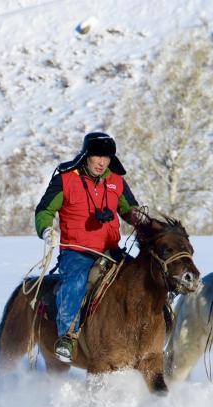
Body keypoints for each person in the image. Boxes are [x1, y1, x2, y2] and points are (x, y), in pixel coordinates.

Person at [35, 132, 142, 362]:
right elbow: (44, 211)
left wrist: (141, 219)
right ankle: (67, 336)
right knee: (75, 282)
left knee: (143, 278)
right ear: (86, 155)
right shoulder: (65, 179)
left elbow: (129, 210)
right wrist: (47, 230)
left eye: (106, 157)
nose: (102, 162)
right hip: (76, 251)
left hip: (112, 251)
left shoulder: (116, 181)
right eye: (97, 156)